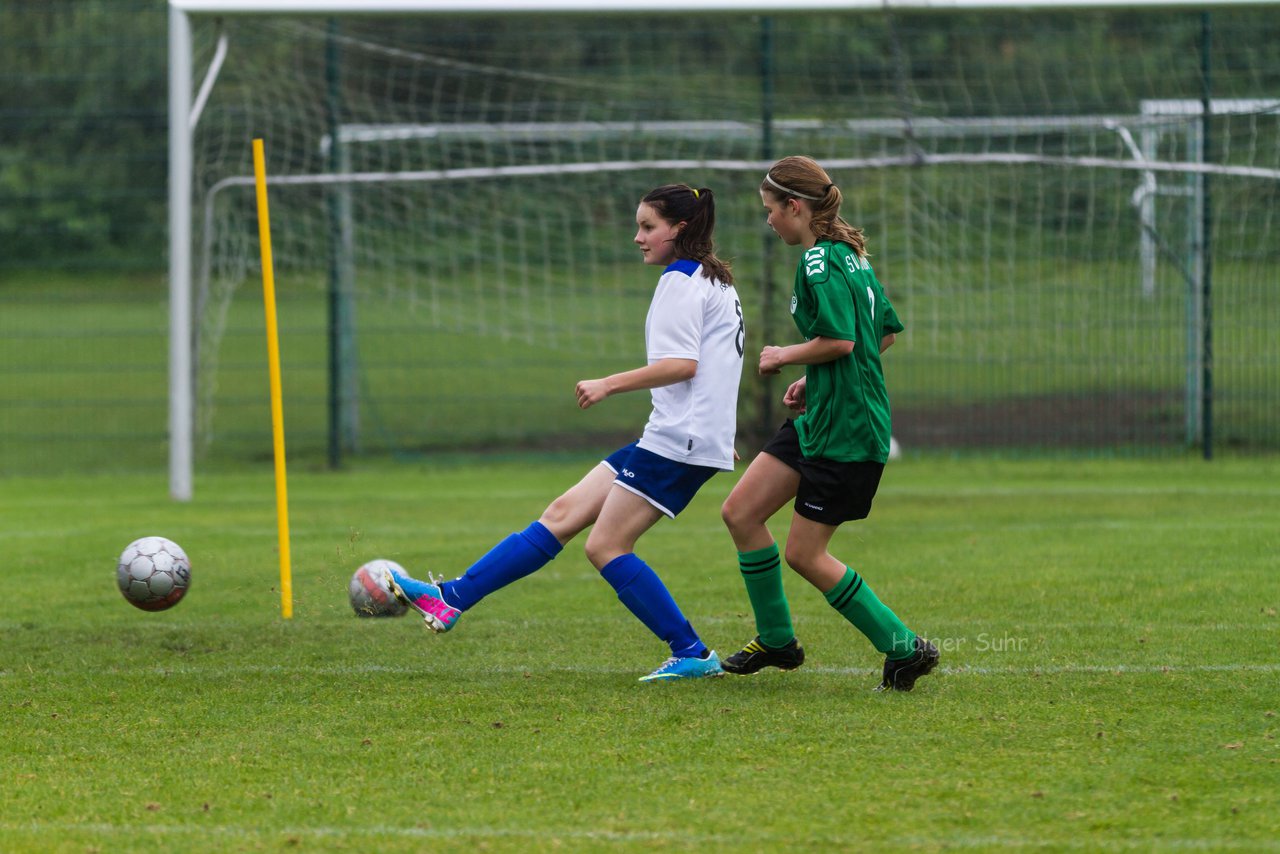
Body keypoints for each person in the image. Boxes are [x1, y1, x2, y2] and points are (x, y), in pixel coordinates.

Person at [381, 183, 744, 682]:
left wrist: (607, 384)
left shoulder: (681, 282)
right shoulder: (715, 279)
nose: (637, 237)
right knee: (563, 513)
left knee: (606, 546)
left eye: (647, 227)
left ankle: (692, 652)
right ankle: (453, 598)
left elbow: (683, 364)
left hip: (680, 438)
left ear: (679, 228)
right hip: (682, 434)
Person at [719, 155, 938, 691]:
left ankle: (906, 648)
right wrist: (819, 381)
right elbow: (881, 334)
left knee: (803, 554)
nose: (768, 220)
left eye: (770, 210)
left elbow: (842, 340)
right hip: (822, 415)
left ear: (795, 207)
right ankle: (776, 640)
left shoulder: (819, 262)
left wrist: (783, 356)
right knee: (741, 512)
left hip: (847, 430)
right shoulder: (853, 258)